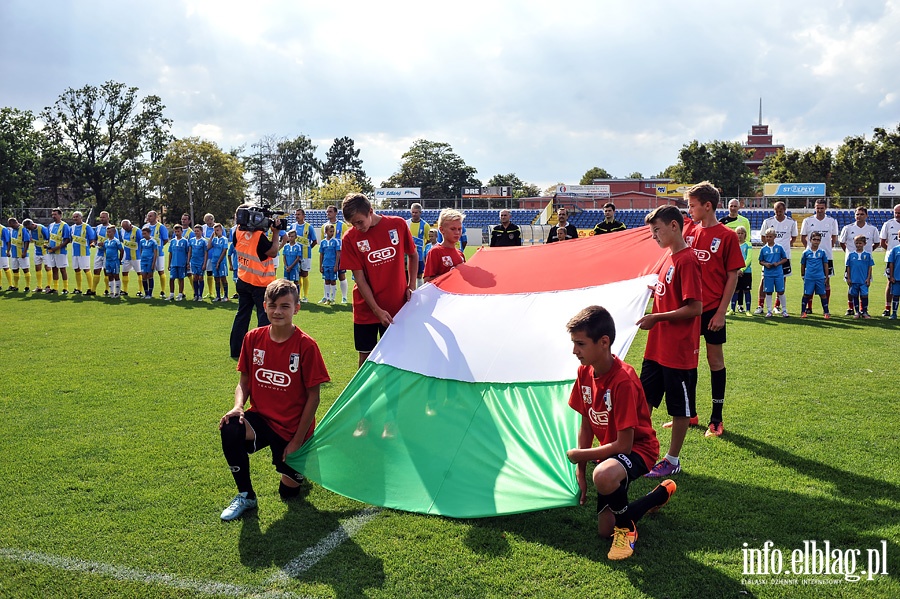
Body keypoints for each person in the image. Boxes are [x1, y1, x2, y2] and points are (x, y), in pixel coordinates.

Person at [564, 305, 675, 561]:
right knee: (605, 531)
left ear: (604, 342)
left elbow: (625, 446)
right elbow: (587, 424)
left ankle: (627, 531)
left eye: (580, 344)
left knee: (603, 475)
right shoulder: (584, 372)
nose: (574, 351)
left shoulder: (623, 380)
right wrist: (581, 469)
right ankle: (659, 494)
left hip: (638, 450)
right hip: (613, 452)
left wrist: (582, 455)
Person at [218, 278, 330, 521]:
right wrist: (238, 406)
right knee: (230, 428)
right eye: (272, 305)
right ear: (265, 306)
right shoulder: (253, 338)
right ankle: (246, 495)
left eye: (285, 306)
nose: (278, 311)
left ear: (296, 308)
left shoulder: (306, 346)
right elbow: (244, 382)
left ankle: (303, 460)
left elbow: (314, 397)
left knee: (288, 493)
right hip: (261, 419)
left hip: (292, 428)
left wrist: (298, 441)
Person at [637, 206, 702, 479]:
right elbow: (670, 294)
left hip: (678, 351)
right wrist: (655, 294)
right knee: (642, 401)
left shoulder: (687, 260)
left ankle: (672, 459)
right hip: (656, 348)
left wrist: (657, 317)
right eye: (652, 232)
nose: (654, 237)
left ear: (674, 226)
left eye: (657, 230)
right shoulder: (668, 258)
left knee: (679, 408)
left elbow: (695, 307)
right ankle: (637, 450)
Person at [682, 182, 745, 437]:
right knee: (688, 362)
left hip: (713, 311)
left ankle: (716, 420)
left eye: (693, 205)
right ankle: (691, 415)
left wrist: (721, 312)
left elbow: (733, 276)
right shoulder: (690, 233)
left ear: (707, 206)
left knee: (714, 360)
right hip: (691, 309)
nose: (689, 209)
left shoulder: (727, 236)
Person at [340, 193, 418, 368]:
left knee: (396, 358)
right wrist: (376, 309)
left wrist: (411, 285)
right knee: (365, 359)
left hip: (396, 306)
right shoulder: (350, 238)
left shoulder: (397, 225)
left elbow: (413, 255)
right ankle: (364, 396)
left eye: (359, 221)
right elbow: (359, 278)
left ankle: (395, 396)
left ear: (370, 211)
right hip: (366, 308)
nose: (357, 227)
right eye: (353, 224)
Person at [229, 203, 284, 359]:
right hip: (260, 283)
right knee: (263, 318)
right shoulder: (258, 236)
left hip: (243, 279)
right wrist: (276, 233)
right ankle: (263, 351)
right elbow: (273, 252)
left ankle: (236, 350)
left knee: (242, 315)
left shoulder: (237, 232)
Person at [756, 201, 798, 314]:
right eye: (776, 211)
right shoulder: (768, 221)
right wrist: (769, 249)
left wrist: (782, 249)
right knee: (764, 279)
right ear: (773, 210)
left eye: (780, 211)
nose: (778, 213)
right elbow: (763, 237)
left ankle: (777, 306)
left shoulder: (791, 222)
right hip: (769, 257)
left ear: (785, 210)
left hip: (784, 258)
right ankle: (760, 306)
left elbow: (793, 238)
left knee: (782, 280)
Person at [800, 199, 838, 314]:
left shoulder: (832, 221)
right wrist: (810, 250)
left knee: (826, 281)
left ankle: (826, 308)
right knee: (810, 281)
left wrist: (826, 249)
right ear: (814, 208)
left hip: (826, 256)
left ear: (825, 208)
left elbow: (834, 238)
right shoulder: (807, 221)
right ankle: (809, 307)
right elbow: (803, 238)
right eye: (817, 208)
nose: (819, 210)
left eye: (822, 208)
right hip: (811, 257)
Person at [839, 207, 880, 315]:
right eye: (857, 214)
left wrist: (867, 253)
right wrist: (850, 254)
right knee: (851, 285)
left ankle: (863, 310)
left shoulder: (872, 229)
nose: (859, 216)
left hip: (865, 263)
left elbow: (876, 243)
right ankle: (851, 308)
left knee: (865, 285)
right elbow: (842, 243)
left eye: (862, 214)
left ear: (866, 216)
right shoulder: (848, 228)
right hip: (852, 263)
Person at [424, 209, 466, 283]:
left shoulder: (460, 254)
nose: (457, 232)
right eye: (453, 229)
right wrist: (453, 273)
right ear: (442, 230)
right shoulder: (435, 252)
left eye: (459, 229)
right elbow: (427, 281)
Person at [759, 228, 789, 318]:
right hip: (768, 274)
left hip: (778, 273)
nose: (768, 238)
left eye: (770, 236)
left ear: (775, 237)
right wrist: (765, 264)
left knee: (781, 291)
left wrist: (778, 263)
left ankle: (784, 310)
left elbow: (785, 259)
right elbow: (760, 261)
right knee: (768, 292)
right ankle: (769, 310)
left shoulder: (779, 247)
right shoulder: (763, 249)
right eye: (767, 236)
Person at [289, 208, 317, 302]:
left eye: (299, 214)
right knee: (296, 275)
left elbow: (314, 241)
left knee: (304, 274)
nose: (297, 216)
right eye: (296, 214)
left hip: (305, 255)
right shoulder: (292, 226)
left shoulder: (309, 227)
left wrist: (307, 249)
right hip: (294, 255)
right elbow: (289, 239)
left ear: (303, 216)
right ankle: (298, 295)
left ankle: (305, 296)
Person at [322, 205, 348, 303]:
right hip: (328, 258)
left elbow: (346, 240)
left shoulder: (343, 225)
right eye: (327, 212)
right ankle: (326, 297)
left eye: (330, 212)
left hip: (339, 255)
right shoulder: (324, 226)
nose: (328, 213)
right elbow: (324, 241)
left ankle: (344, 297)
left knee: (341, 276)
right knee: (327, 277)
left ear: (336, 213)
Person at [800, 232, 830, 319]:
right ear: (810, 240)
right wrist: (803, 275)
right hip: (809, 277)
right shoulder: (806, 253)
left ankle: (826, 312)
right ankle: (803, 311)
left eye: (818, 240)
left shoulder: (822, 252)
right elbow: (803, 265)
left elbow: (825, 265)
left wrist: (826, 277)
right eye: (814, 239)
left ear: (820, 241)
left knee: (823, 294)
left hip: (820, 277)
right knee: (806, 294)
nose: (816, 241)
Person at [845, 234, 875, 319]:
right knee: (855, 295)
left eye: (860, 243)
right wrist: (849, 278)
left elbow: (870, 267)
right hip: (854, 280)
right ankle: (857, 312)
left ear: (864, 244)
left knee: (864, 295)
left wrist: (868, 278)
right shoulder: (851, 255)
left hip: (863, 280)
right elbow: (848, 267)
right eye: (857, 243)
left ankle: (864, 312)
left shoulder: (867, 255)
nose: (858, 245)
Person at [879, 204, 900, 316]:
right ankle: (888, 308)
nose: (897, 215)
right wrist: (895, 254)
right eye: (895, 213)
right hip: (892, 259)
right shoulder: (888, 224)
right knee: (890, 281)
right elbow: (882, 242)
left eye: (899, 213)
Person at [89, 211, 117, 296]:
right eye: (101, 217)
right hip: (99, 253)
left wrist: (105, 244)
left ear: (108, 218)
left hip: (108, 254)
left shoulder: (112, 228)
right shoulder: (98, 227)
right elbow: (95, 238)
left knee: (107, 272)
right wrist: (93, 243)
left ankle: (107, 290)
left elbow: (116, 241)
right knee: (96, 271)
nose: (102, 219)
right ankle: (93, 290)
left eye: (104, 217)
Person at [45, 208, 72, 294]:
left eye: (55, 214)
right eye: (52, 215)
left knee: (62, 269)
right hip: (51, 252)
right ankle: (55, 288)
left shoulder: (64, 225)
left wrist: (57, 248)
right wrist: (47, 246)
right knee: (54, 269)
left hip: (60, 252)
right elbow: (49, 237)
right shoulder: (51, 225)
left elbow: (67, 240)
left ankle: (65, 288)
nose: (53, 216)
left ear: (60, 215)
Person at [69, 210, 96, 295]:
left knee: (86, 269)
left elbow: (92, 238)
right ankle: (78, 288)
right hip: (74, 252)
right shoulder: (72, 228)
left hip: (84, 252)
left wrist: (92, 243)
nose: (75, 218)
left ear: (81, 217)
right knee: (76, 270)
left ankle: (91, 289)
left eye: (77, 216)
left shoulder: (86, 227)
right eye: (74, 217)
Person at [144, 210, 170, 298]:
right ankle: (148, 292)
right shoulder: (145, 226)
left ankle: (162, 291)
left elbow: (165, 240)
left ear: (156, 217)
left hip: (159, 254)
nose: (149, 217)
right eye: (148, 216)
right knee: (148, 273)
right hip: (148, 255)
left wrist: (159, 247)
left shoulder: (161, 227)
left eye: (151, 216)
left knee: (160, 271)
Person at [21, 218, 49, 292]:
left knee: (47, 268)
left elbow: (49, 238)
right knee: (37, 268)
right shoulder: (29, 230)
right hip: (37, 251)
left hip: (46, 252)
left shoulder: (42, 228)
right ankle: (39, 287)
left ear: (32, 224)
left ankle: (49, 286)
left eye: (29, 227)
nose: (28, 229)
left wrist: (47, 247)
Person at [729, 226, 752, 314]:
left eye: (742, 233)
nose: (740, 235)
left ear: (745, 234)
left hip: (746, 271)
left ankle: (748, 310)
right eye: (738, 233)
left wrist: (742, 269)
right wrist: (736, 269)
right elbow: (731, 258)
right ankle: (732, 309)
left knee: (746, 290)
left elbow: (749, 258)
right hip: (735, 271)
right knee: (735, 289)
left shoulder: (748, 244)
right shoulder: (733, 245)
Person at [407, 203, 431, 287]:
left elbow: (429, 240)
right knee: (406, 274)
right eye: (412, 212)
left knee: (419, 275)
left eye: (416, 212)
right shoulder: (406, 223)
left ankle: (418, 290)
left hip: (419, 254)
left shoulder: (425, 225)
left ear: (420, 213)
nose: (414, 214)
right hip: (407, 254)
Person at [318, 223, 341, 305]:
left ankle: (333, 298)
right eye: (330, 231)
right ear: (326, 232)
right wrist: (320, 266)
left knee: (333, 281)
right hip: (325, 265)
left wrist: (336, 265)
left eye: (333, 231)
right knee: (326, 281)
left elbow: (338, 254)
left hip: (332, 265)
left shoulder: (335, 242)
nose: (332, 233)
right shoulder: (323, 242)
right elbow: (321, 254)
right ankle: (327, 298)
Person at [6, 218, 30, 292]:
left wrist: (24, 252)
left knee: (25, 269)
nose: (11, 227)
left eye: (12, 225)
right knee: (15, 270)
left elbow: (27, 241)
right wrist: (8, 251)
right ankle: (15, 286)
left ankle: (27, 286)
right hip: (14, 254)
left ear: (15, 222)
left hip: (22, 253)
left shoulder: (23, 229)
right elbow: (10, 241)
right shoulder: (11, 230)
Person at [119, 219, 142, 296]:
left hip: (136, 256)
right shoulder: (122, 231)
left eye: (126, 228)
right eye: (123, 228)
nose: (125, 229)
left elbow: (142, 242)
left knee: (139, 273)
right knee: (124, 272)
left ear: (130, 225)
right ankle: (125, 290)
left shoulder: (137, 231)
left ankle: (140, 291)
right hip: (127, 256)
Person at [101, 224, 125, 298]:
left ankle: (117, 293)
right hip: (108, 261)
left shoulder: (116, 241)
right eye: (107, 232)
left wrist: (120, 259)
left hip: (115, 262)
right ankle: (112, 292)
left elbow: (121, 250)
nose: (108, 233)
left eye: (110, 232)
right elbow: (105, 250)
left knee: (116, 276)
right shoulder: (106, 242)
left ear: (114, 232)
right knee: (109, 276)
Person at [208, 223, 230, 301]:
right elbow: (208, 247)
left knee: (223, 278)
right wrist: (211, 236)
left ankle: (226, 296)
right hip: (214, 261)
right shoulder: (214, 239)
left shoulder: (224, 239)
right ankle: (218, 296)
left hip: (221, 262)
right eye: (215, 231)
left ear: (221, 230)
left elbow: (224, 251)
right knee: (216, 278)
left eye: (218, 230)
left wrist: (218, 262)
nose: (216, 232)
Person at [167, 224, 188, 301]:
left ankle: (180, 294)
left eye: (178, 231)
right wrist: (169, 264)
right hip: (173, 263)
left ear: (182, 232)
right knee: (171, 278)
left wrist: (187, 263)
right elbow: (170, 253)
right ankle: (171, 294)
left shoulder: (185, 241)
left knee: (181, 279)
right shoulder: (172, 241)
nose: (177, 233)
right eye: (175, 231)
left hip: (182, 263)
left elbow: (187, 252)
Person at [187, 224, 208, 301]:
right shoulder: (191, 240)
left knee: (200, 277)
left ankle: (200, 295)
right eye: (195, 231)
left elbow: (206, 253)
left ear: (201, 232)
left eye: (197, 231)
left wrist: (205, 263)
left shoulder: (204, 241)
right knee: (195, 278)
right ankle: (196, 294)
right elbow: (190, 251)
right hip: (193, 261)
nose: (196, 232)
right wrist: (188, 261)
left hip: (201, 262)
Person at [138, 224, 159, 299]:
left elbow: (155, 253)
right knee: (143, 276)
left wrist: (153, 263)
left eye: (145, 233)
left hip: (150, 260)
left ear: (149, 233)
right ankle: (146, 293)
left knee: (150, 275)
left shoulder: (153, 241)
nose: (143, 235)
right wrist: (141, 258)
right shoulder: (142, 241)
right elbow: (140, 250)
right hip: (143, 261)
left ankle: (150, 293)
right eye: (142, 234)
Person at [886, 231, 900, 319]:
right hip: (897, 277)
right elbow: (891, 264)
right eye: (899, 236)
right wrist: (891, 276)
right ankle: (894, 313)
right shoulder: (895, 249)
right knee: (896, 295)